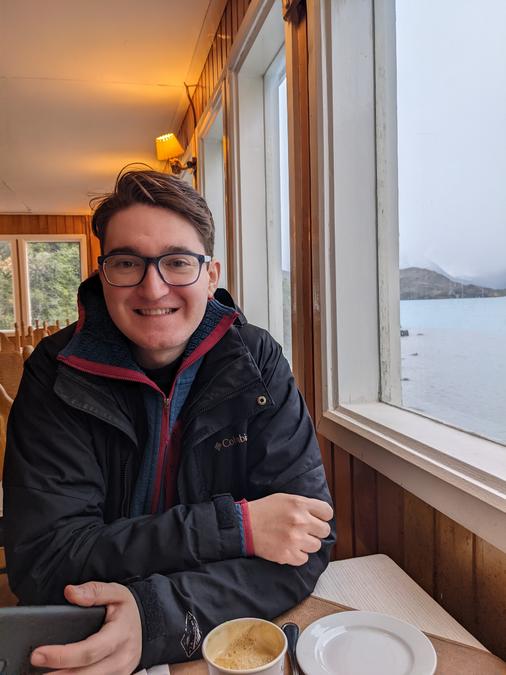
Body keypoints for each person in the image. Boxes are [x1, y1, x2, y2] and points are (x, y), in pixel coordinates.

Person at [4, 168, 335, 674]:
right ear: (102, 273)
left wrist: (159, 615)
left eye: (177, 262)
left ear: (211, 274)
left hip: (210, 639)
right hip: (87, 638)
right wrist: (239, 529)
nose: (153, 288)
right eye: (128, 262)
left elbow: (305, 539)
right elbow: (46, 563)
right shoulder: (55, 372)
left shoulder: (256, 361)